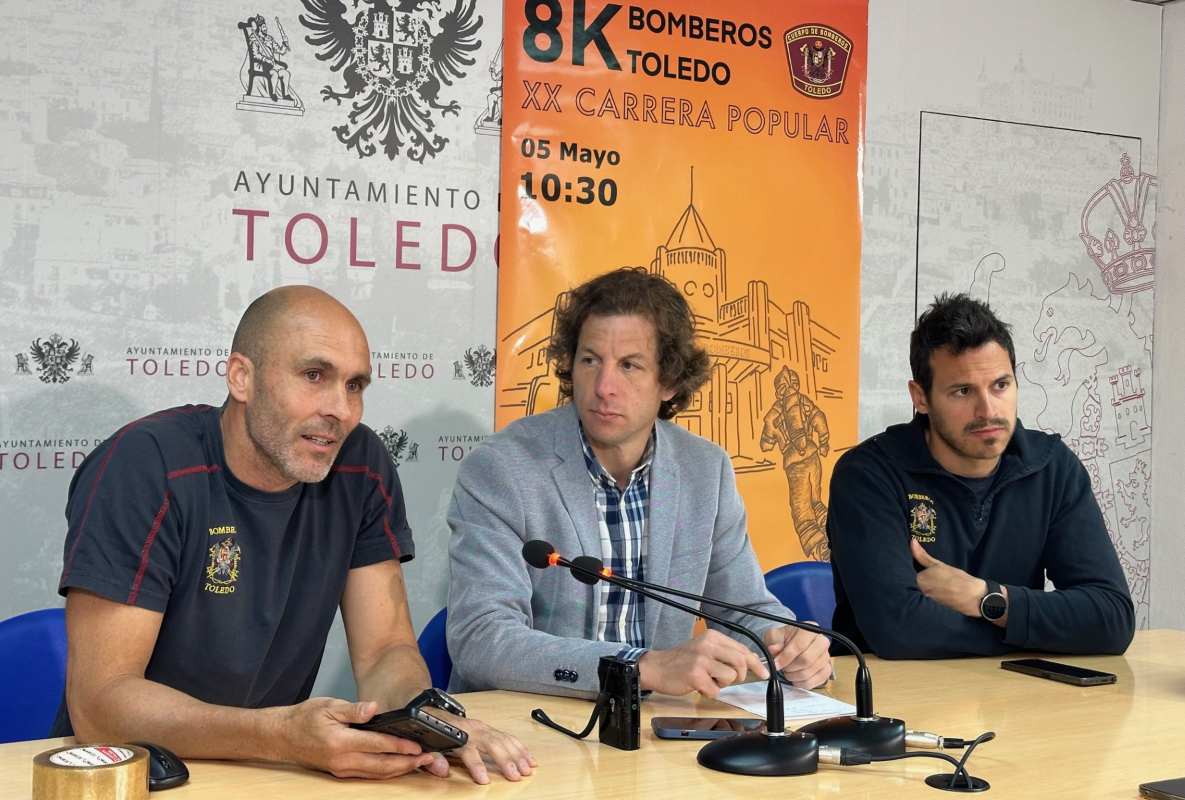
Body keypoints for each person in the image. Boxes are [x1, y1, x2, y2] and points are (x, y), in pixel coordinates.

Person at [54, 285, 533, 784]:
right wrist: (280, 735)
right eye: (314, 375)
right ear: (242, 377)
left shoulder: (360, 462)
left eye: (355, 386)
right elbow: (100, 705)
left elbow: (385, 649)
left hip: (277, 771)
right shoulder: (144, 466)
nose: (341, 410)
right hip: (137, 773)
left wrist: (429, 726)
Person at [447, 268, 832, 700]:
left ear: (668, 382)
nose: (603, 387)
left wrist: (789, 644)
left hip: (652, 731)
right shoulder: (502, 469)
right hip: (533, 726)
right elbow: (481, 640)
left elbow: (743, 612)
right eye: (590, 360)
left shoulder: (706, 470)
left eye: (629, 366)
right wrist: (639, 667)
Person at [827, 292, 1135, 658]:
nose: (987, 410)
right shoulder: (869, 475)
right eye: (962, 391)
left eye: (1000, 386)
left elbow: (1112, 619)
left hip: (1012, 697)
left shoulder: (1052, 466)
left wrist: (987, 599)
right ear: (920, 397)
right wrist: (1038, 630)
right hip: (896, 699)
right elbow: (898, 629)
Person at [760, 366, 831, 561]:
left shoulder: (773, 413)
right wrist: (823, 442)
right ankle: (834, 537)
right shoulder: (806, 404)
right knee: (816, 501)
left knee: (802, 511)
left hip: (794, 462)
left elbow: (766, 444)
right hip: (813, 455)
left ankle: (822, 551)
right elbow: (820, 419)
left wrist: (769, 441)